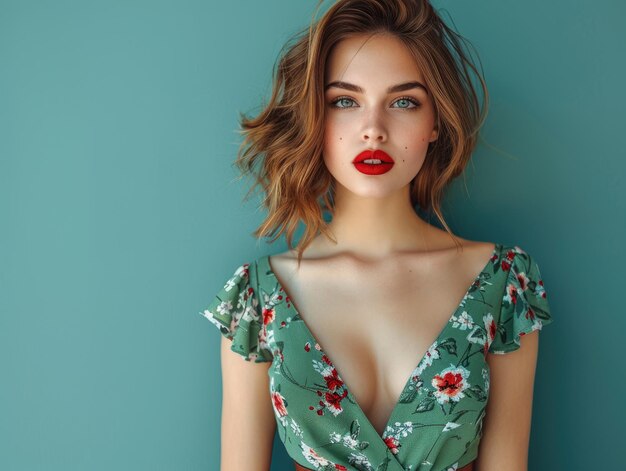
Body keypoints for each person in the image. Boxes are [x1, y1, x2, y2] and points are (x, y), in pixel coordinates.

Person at [200, 0, 554, 470]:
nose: (373, 130)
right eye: (344, 101)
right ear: (315, 119)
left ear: (435, 124)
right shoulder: (259, 300)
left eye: (403, 102)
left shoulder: (502, 287)